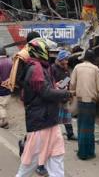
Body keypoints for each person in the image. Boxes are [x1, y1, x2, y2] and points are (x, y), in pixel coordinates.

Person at [16, 38, 71, 177]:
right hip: (41, 123)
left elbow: (45, 89)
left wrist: (57, 88)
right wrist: (65, 93)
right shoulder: (36, 69)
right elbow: (45, 92)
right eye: (47, 51)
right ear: (39, 51)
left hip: (50, 121)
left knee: (57, 156)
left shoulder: (41, 67)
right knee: (28, 165)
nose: (49, 54)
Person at [70, 49, 99, 160]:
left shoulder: (77, 67)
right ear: (93, 59)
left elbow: (72, 83)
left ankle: (82, 152)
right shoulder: (96, 69)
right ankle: (89, 152)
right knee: (89, 127)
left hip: (80, 101)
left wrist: (73, 93)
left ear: (84, 58)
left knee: (81, 126)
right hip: (91, 102)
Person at [51, 50, 77, 141]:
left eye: (67, 59)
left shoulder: (66, 70)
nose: (67, 61)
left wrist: (67, 91)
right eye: (65, 59)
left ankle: (70, 134)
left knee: (67, 116)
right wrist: (57, 85)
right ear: (60, 59)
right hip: (56, 96)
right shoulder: (53, 68)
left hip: (64, 96)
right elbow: (51, 82)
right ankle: (53, 135)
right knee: (55, 116)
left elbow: (67, 81)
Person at [0, 47, 12, 129]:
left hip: (1, 87)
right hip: (8, 87)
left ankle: (4, 122)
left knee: (1, 105)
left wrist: (2, 83)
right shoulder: (10, 62)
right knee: (4, 105)